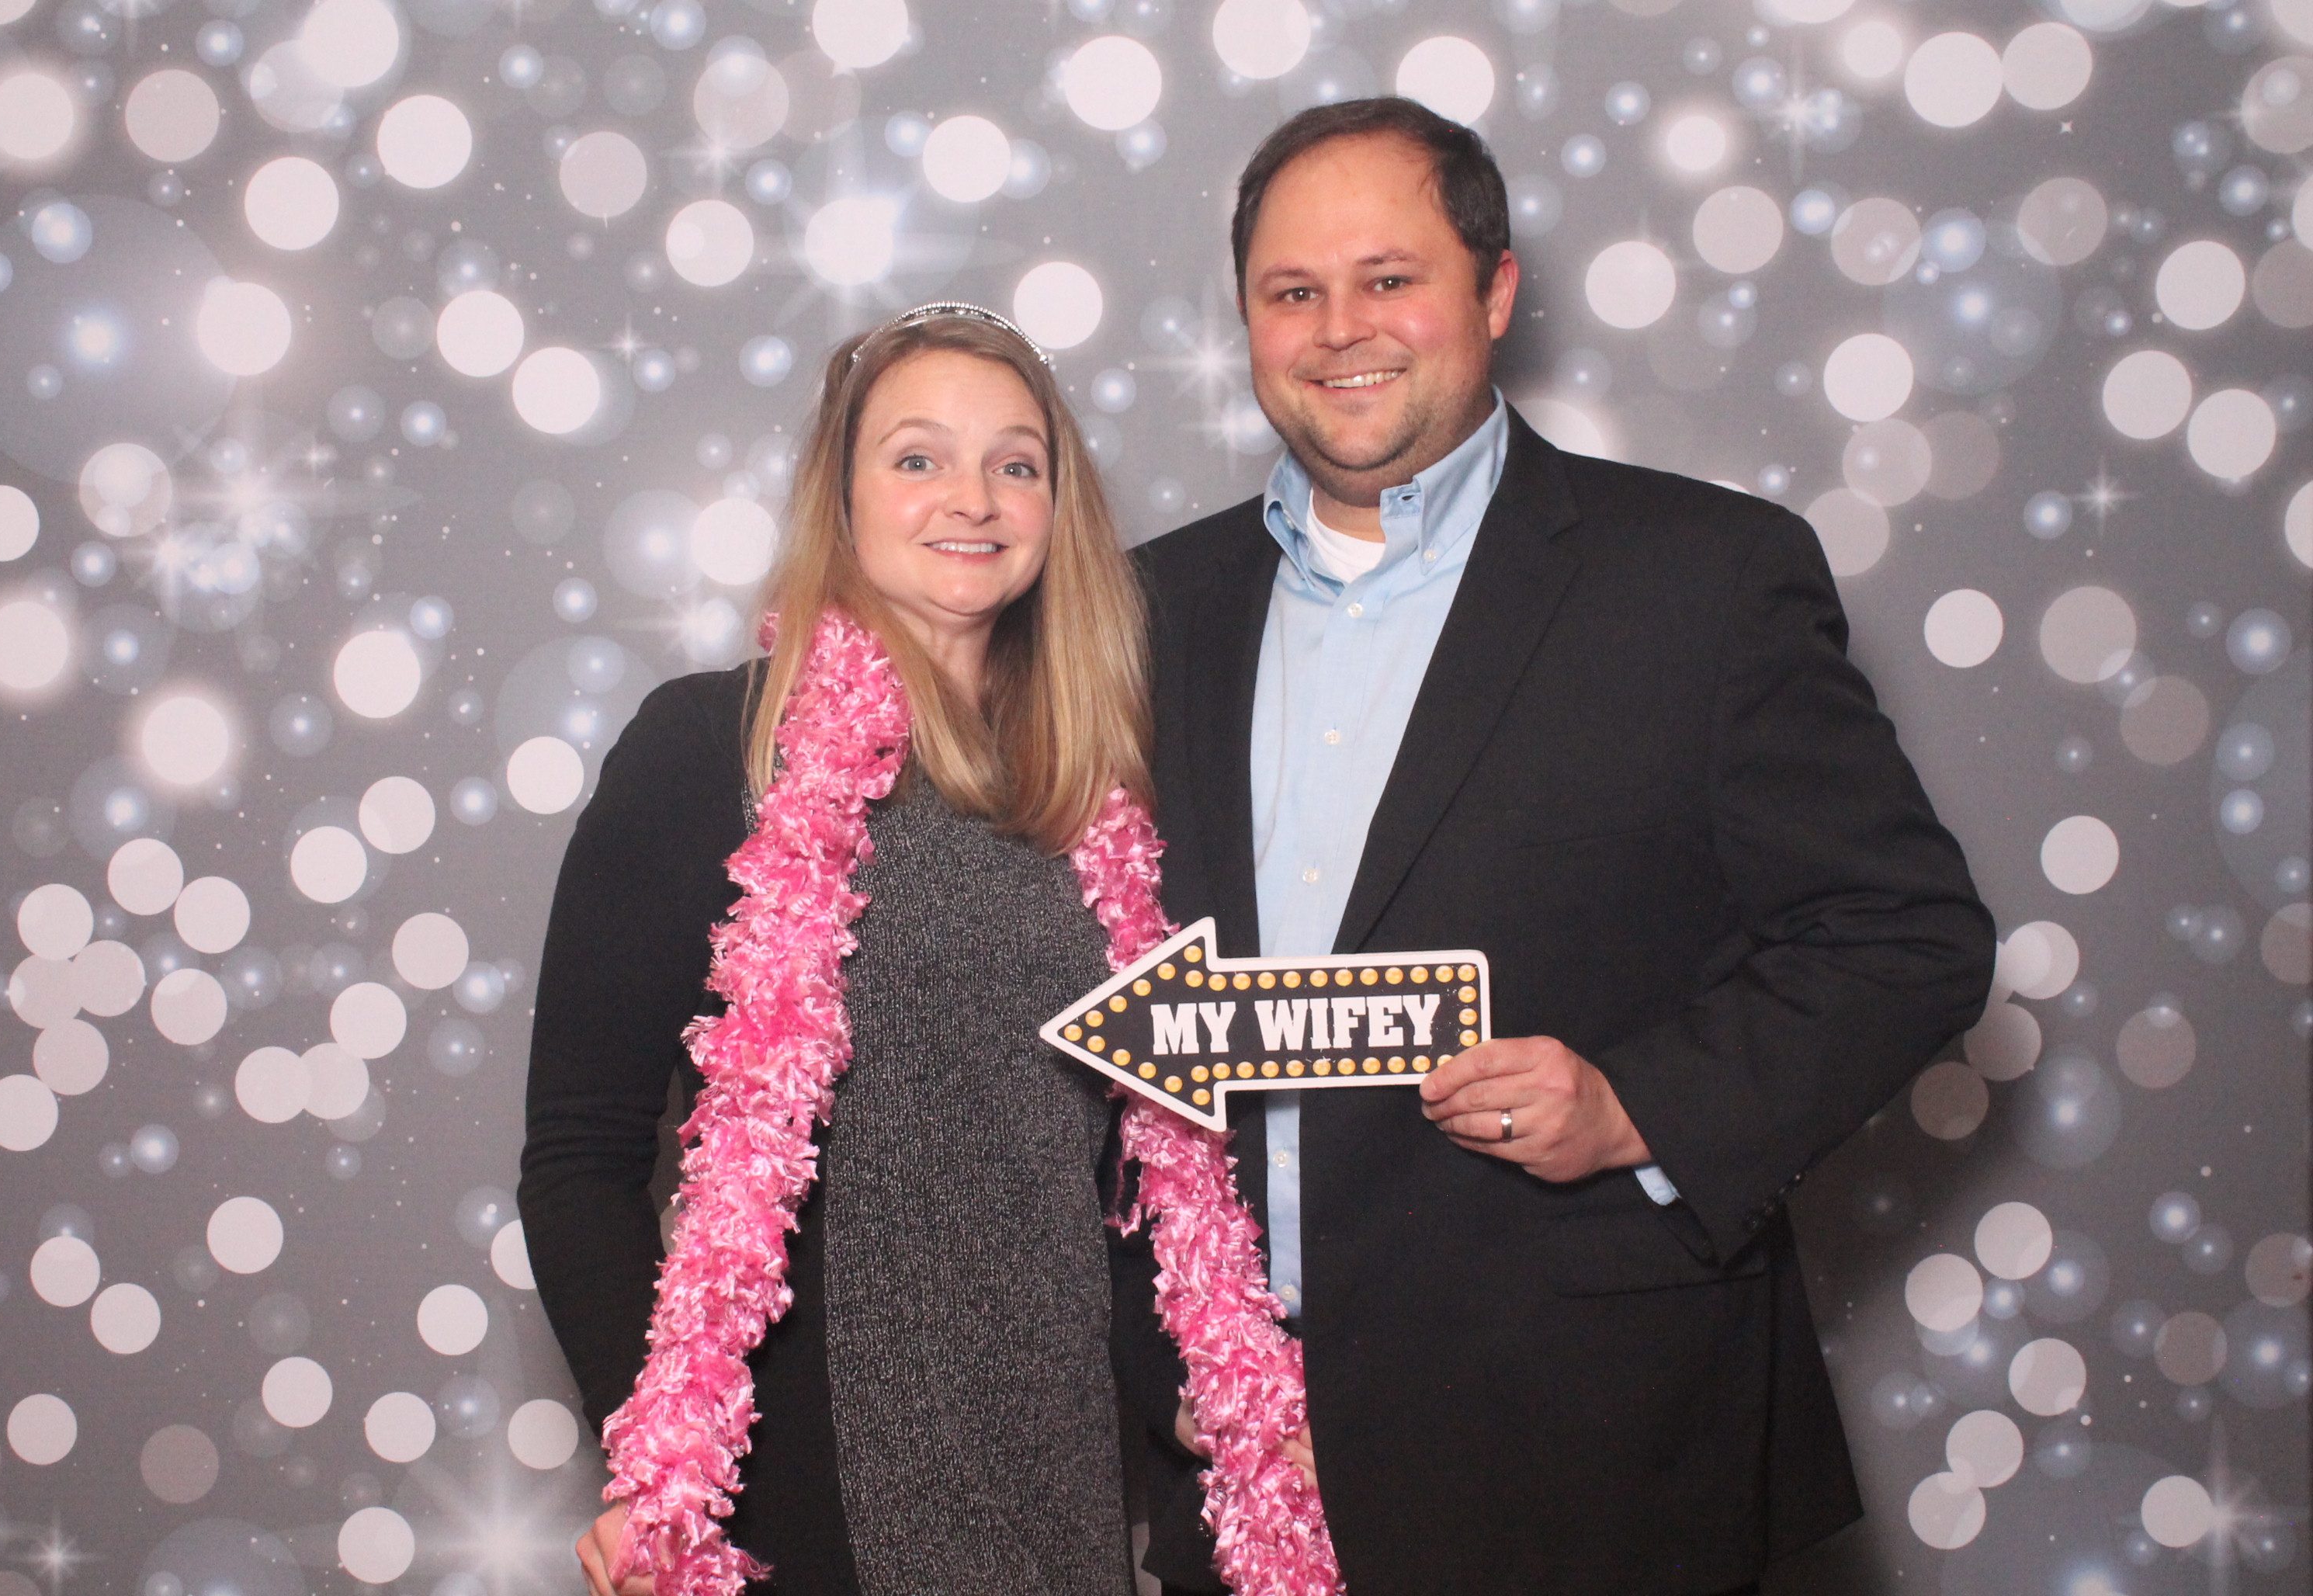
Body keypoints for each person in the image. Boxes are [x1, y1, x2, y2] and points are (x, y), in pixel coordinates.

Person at [1115, 98, 1997, 1595]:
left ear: (1497, 292)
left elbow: (1908, 938)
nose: (1342, 330)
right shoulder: (1137, 614)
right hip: (1233, 1456)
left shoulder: (1706, 582)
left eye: (1389, 278)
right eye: (1292, 292)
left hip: (1595, 1457)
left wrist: (1638, 1107)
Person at [518, 304, 1153, 1596]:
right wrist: (662, 1461)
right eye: (917, 457)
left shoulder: (1104, 791)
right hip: (806, 1492)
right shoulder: (715, 750)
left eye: (1015, 462)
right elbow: (579, 1156)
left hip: (1063, 1483)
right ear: (844, 496)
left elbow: (1136, 1171)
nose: (971, 497)